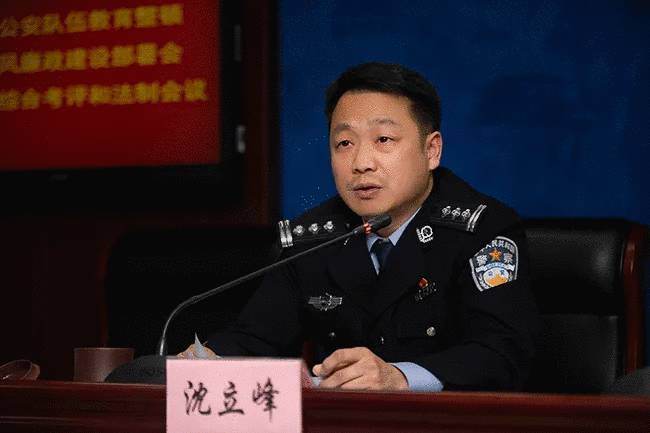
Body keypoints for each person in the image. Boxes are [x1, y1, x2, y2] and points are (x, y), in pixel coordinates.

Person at [180, 62, 539, 392]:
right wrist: (207, 360)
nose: (361, 163)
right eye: (345, 143)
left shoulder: (482, 229)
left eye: (383, 140)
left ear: (432, 150)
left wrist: (399, 377)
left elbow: (502, 352)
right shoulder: (314, 240)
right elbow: (256, 337)